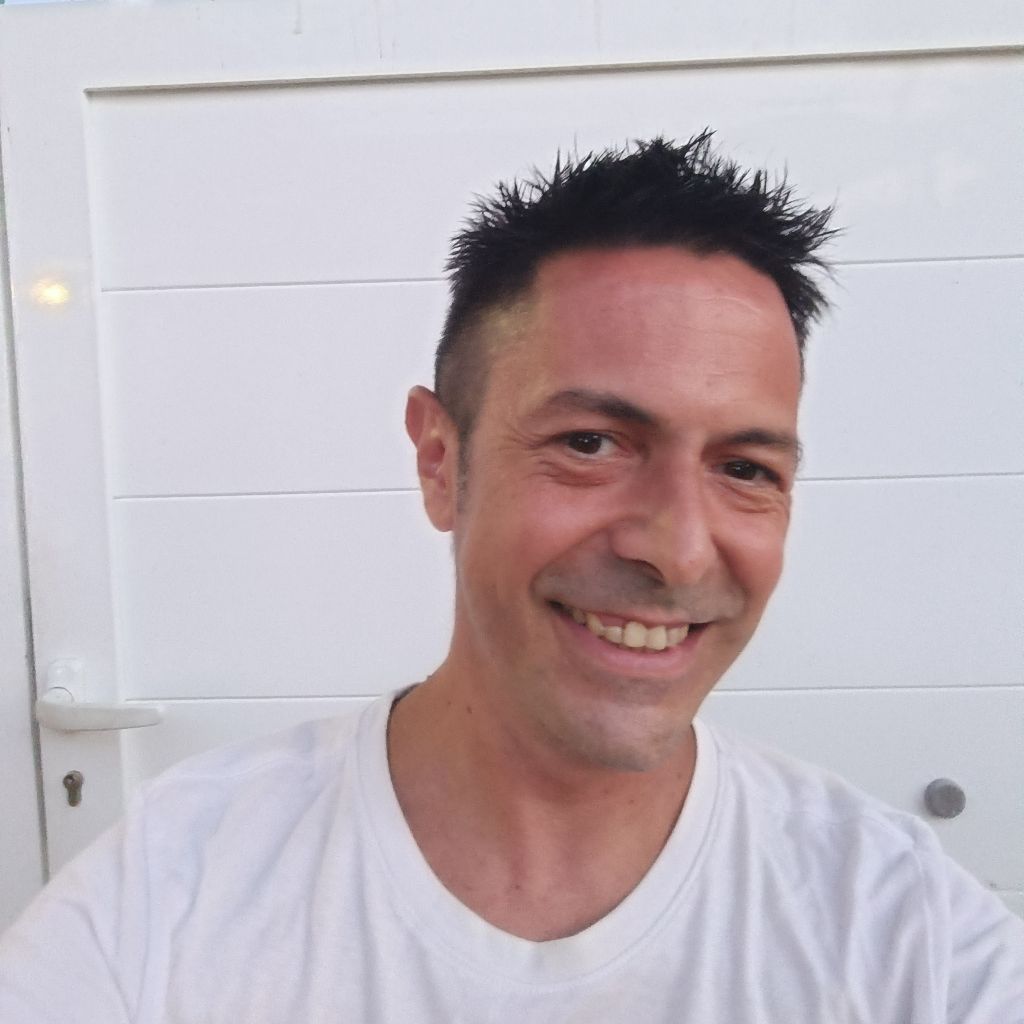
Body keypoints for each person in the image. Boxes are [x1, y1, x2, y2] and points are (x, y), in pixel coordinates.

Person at [1, 132, 1022, 1022]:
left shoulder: (904, 930)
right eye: (590, 443)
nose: (678, 549)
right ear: (440, 460)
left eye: (746, 469)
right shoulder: (175, 889)